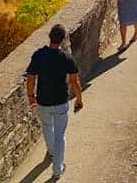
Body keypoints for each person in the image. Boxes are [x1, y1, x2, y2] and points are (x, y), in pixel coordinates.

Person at [26, 24, 83, 180]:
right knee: (60, 135)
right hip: (60, 102)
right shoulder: (67, 58)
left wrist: (31, 96)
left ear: (49, 36)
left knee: (47, 127)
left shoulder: (38, 55)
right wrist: (79, 99)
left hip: (43, 101)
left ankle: (51, 151)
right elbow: (74, 82)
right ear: (63, 39)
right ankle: (57, 169)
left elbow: (31, 78)